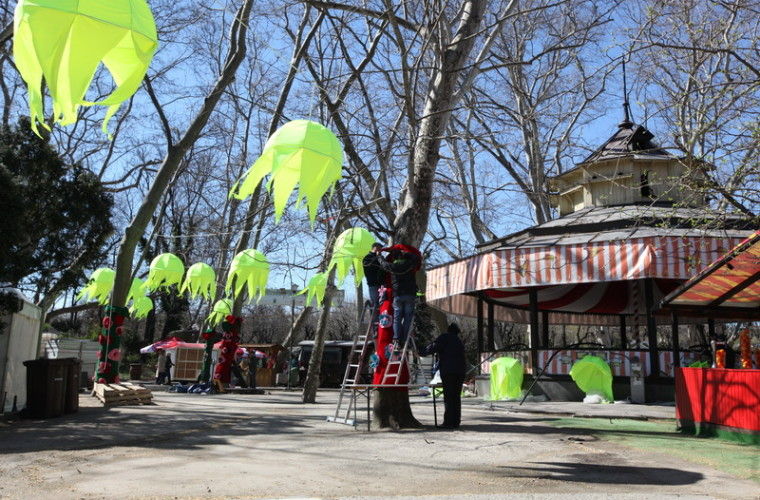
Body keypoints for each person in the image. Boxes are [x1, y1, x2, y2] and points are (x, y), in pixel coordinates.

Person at [419, 322, 466, 429]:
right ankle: (456, 421)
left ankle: (448, 422)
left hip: (448, 371)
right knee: (456, 397)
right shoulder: (459, 341)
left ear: (448, 330)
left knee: (449, 397)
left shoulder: (445, 337)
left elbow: (433, 347)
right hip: (460, 371)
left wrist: (421, 351)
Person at [379, 245, 421, 346]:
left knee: (397, 319)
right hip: (410, 294)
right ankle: (405, 339)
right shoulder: (410, 264)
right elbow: (417, 258)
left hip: (398, 295)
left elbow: (384, 264)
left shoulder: (393, 267)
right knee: (407, 318)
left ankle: (397, 339)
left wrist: (379, 256)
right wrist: (406, 253)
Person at [362, 242, 387, 314]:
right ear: (375, 248)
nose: (381, 250)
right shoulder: (367, 258)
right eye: (379, 248)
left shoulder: (381, 257)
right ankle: (375, 319)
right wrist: (377, 257)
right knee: (375, 303)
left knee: (382, 302)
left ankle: (382, 319)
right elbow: (369, 268)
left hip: (382, 284)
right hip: (373, 284)